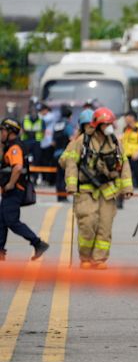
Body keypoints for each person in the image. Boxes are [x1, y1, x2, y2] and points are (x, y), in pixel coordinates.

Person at [63, 107, 133, 269]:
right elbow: (72, 163)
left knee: (105, 226)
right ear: (98, 124)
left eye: (111, 123)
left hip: (107, 190)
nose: (109, 127)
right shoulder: (83, 141)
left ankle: (99, 259)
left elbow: (124, 165)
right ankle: (85, 257)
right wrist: (71, 185)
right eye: (106, 124)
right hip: (86, 190)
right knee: (88, 223)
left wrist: (127, 187)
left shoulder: (115, 142)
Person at [0, 118, 49, 261]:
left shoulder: (14, 148)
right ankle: (0, 251)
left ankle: (38, 243)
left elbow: (18, 167)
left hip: (14, 190)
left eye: (2, 131)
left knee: (11, 221)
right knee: (2, 221)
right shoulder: (10, 146)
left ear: (10, 132)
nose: (1, 134)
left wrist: (9, 184)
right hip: (11, 191)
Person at [53, 104, 75, 202]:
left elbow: (53, 141)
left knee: (58, 176)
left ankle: (59, 196)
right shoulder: (67, 125)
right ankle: (63, 196)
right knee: (64, 176)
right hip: (65, 154)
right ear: (69, 116)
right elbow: (72, 138)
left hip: (56, 153)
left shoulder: (57, 124)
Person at [21, 101, 45, 181]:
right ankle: (25, 176)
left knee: (37, 160)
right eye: (32, 111)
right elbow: (22, 129)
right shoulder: (26, 119)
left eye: (35, 111)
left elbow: (43, 131)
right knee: (25, 159)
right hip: (27, 141)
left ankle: (35, 177)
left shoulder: (41, 120)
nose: (33, 113)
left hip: (36, 142)